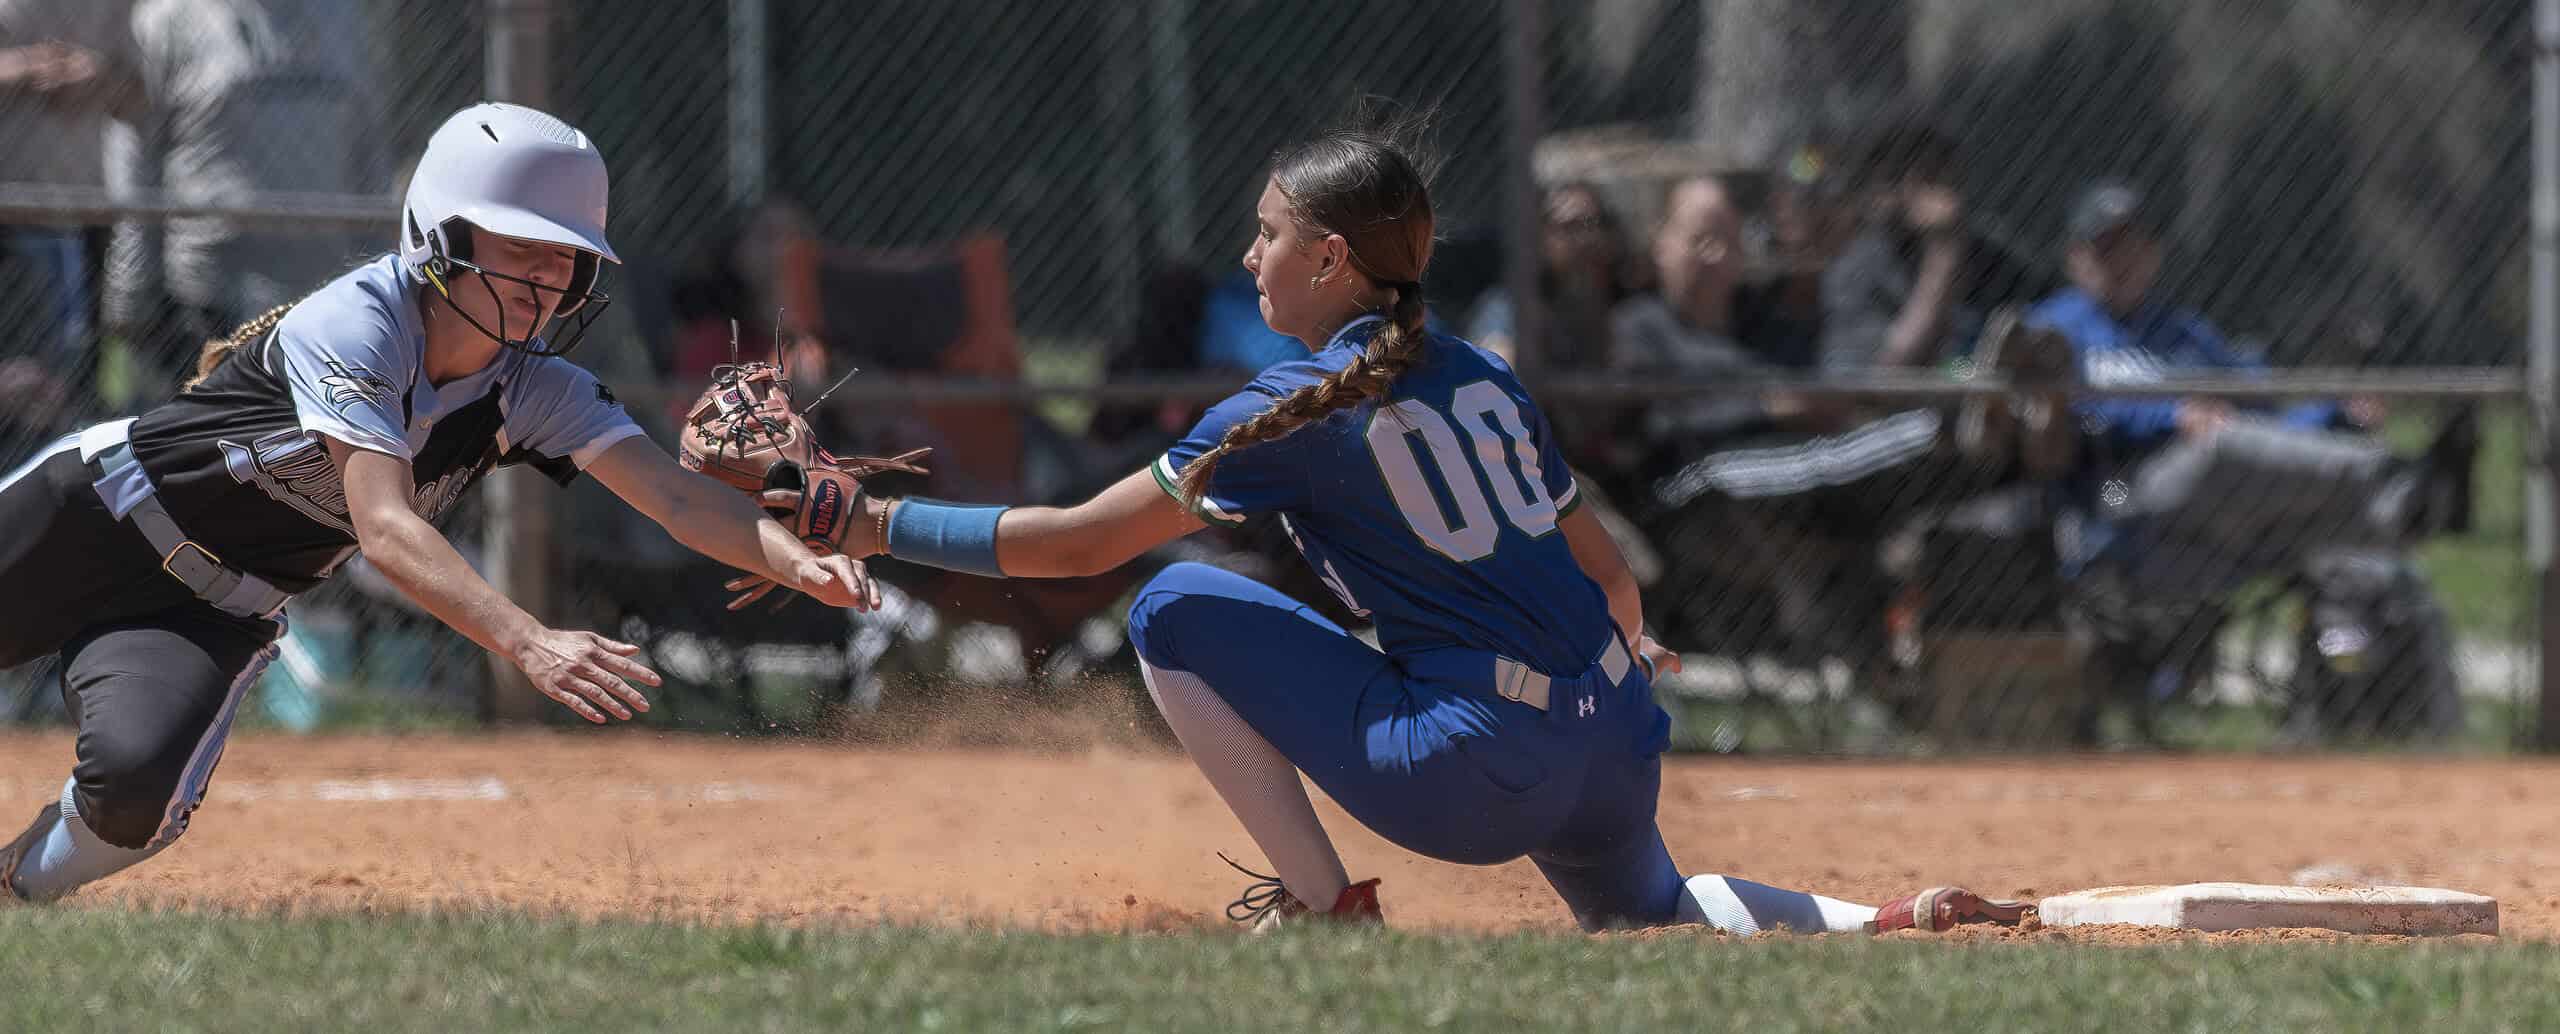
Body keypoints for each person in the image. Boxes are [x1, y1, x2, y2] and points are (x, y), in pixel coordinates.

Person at [739, 119, 2021, 933]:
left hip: (1472, 771)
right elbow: (1609, 570)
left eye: (1269, 234)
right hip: (1614, 746)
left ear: (1336, 260)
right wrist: (1621, 659)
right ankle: (1876, 920)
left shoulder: (1292, 401)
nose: (1249, 259)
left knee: (1171, 606)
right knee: (1655, 911)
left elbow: (1076, 543)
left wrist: (876, 520)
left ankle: (1321, 901)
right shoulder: (1481, 368)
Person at [0, 102, 880, 902]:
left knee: (131, 807)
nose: (545, 277)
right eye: (518, 247)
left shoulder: (535, 388)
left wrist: (796, 559)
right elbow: (384, 529)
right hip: (96, 517)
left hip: (207, 611)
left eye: (565, 257)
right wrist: (527, 641)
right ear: (438, 236)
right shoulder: (360, 322)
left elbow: (677, 501)